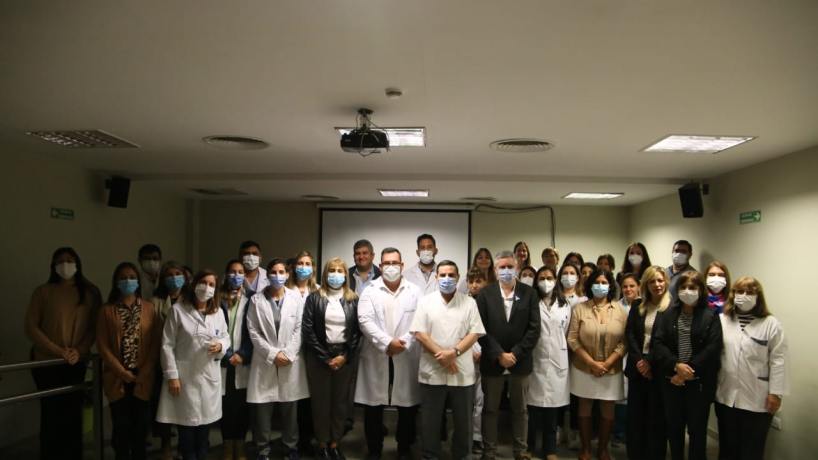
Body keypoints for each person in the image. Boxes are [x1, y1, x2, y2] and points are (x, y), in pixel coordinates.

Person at [25, 247, 102, 460]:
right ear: (53, 266)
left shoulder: (90, 292)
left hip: (75, 362)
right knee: (51, 414)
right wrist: (58, 351)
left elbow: (93, 328)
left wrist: (79, 351)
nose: (65, 264)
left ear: (78, 264)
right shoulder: (43, 292)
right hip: (46, 362)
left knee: (72, 413)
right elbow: (31, 326)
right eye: (60, 261)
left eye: (69, 260)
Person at [412, 260, 486, 460]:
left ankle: (462, 455)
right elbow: (419, 333)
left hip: (461, 372)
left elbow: (475, 333)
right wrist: (443, 356)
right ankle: (430, 456)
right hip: (432, 371)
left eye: (451, 275)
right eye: (442, 275)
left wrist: (453, 353)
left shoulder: (469, 303)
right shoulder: (426, 302)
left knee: (463, 423)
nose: (446, 279)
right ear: (436, 277)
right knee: (430, 422)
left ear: (458, 277)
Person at [355, 247, 423, 460]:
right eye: (387, 263)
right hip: (377, 353)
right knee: (373, 406)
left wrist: (403, 343)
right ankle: (374, 450)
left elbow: (420, 321)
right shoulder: (369, 290)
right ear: (380, 266)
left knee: (407, 406)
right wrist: (387, 343)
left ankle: (404, 448)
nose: (391, 267)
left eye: (395, 263)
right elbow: (365, 321)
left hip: (406, 353)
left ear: (402, 266)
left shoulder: (415, 291)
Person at [157, 270, 230, 460]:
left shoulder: (218, 312)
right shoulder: (178, 311)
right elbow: (167, 345)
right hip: (184, 379)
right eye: (203, 282)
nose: (207, 288)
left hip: (208, 377)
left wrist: (221, 345)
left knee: (204, 434)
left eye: (212, 284)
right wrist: (172, 376)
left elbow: (225, 336)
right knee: (187, 433)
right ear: (194, 284)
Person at [476, 250, 541, 460]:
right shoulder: (485, 294)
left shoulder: (529, 294)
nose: (506, 270)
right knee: (490, 410)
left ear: (517, 268)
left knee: (520, 410)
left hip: (519, 363)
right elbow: (480, 329)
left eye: (510, 267)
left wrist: (515, 354)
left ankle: (520, 451)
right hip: (492, 362)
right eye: (502, 267)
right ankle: (489, 451)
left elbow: (534, 329)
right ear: (495, 270)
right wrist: (499, 354)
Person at [715, 277, 788, 460]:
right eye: (740, 291)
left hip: (757, 398)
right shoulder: (722, 320)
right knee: (727, 446)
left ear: (758, 296)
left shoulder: (771, 323)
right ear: (733, 295)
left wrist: (775, 393)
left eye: (750, 292)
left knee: (752, 449)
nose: (744, 295)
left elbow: (779, 360)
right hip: (726, 396)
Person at [652, 271, 722, 460]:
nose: (687, 291)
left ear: (701, 290)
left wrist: (688, 370)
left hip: (698, 383)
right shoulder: (667, 314)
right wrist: (676, 366)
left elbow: (712, 348)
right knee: (674, 429)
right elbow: (658, 343)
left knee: (697, 431)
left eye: (692, 287)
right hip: (672, 381)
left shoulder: (710, 316)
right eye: (683, 287)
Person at [96, 262, 162, 460]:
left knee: (141, 426)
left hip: (143, 376)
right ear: (116, 282)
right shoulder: (106, 311)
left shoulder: (149, 309)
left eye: (132, 277)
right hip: (117, 376)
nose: (128, 281)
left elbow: (155, 343)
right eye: (123, 278)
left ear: (138, 282)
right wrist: (121, 371)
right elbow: (102, 345)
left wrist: (146, 370)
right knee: (121, 427)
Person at [246, 258, 309, 460]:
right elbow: (253, 331)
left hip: (290, 361)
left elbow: (300, 328)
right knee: (263, 411)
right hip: (265, 361)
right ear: (268, 275)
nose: (278, 275)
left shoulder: (295, 298)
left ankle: (290, 448)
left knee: (290, 410)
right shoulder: (256, 300)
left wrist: (288, 353)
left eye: (282, 272)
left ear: (288, 274)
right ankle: (262, 449)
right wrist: (273, 354)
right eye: (273, 272)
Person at [302, 258, 361, 460]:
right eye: (332, 270)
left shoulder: (353, 299)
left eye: (339, 270)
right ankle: (322, 444)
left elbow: (357, 332)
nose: (335, 274)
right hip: (319, 356)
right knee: (320, 402)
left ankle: (335, 443)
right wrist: (326, 358)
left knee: (340, 403)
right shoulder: (314, 298)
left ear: (345, 274)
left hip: (344, 356)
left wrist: (344, 356)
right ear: (325, 274)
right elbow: (308, 331)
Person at [567, 268, 627, 460]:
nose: (600, 286)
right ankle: (585, 449)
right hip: (584, 367)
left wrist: (607, 363)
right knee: (584, 406)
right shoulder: (580, 309)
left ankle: (603, 449)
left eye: (604, 282)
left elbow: (625, 341)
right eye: (596, 282)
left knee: (608, 408)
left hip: (611, 368)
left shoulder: (620, 310)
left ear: (610, 286)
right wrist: (591, 363)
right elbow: (572, 339)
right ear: (590, 285)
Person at [624, 266, 670, 460]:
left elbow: (667, 340)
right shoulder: (638, 305)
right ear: (646, 284)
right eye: (652, 281)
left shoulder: (671, 308)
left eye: (660, 280)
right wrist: (640, 361)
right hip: (637, 367)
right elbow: (630, 334)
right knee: (636, 417)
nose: (656, 285)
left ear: (666, 282)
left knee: (656, 418)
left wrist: (649, 362)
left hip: (659, 369)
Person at [527, 266, 571, 460]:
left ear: (556, 280)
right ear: (536, 282)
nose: (546, 282)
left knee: (552, 410)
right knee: (532, 409)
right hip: (535, 359)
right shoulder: (531, 302)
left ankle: (550, 449)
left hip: (557, 361)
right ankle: (529, 447)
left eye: (550, 277)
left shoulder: (565, 304)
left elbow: (566, 330)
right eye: (542, 278)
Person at [150, 261, 189, 459]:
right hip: (161, 359)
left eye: (177, 273)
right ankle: (166, 446)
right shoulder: (154, 301)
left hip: (185, 359)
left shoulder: (190, 299)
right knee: (163, 406)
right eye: (169, 275)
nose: (174, 278)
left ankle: (183, 446)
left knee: (185, 405)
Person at [219, 260, 253, 460]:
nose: (236, 275)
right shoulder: (216, 299)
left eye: (240, 272)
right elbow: (212, 330)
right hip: (223, 360)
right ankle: (227, 445)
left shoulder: (252, 299)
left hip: (242, 360)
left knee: (241, 407)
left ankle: (239, 445)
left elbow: (254, 332)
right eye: (232, 271)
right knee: (224, 406)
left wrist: (243, 354)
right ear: (226, 274)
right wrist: (227, 354)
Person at [614, 273, 641, 448]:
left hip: (639, 356)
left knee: (636, 396)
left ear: (639, 286)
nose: (628, 289)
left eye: (632, 286)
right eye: (625, 286)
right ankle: (619, 433)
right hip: (620, 354)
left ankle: (635, 433)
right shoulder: (616, 307)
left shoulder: (644, 305)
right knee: (621, 395)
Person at [465, 267, 489, 454]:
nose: (474, 285)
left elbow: (492, 331)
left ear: (486, 282)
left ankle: (477, 437)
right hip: (466, 357)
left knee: (481, 402)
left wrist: (483, 351)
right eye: (471, 281)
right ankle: (466, 436)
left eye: (478, 281)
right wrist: (472, 350)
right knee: (466, 402)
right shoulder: (462, 302)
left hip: (486, 358)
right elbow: (461, 330)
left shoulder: (491, 302)